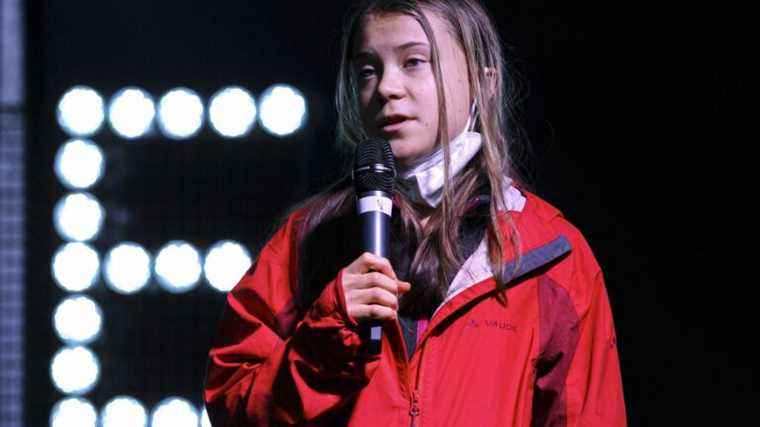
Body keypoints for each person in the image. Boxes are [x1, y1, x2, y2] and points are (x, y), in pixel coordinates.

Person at [204, 0, 627, 425]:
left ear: (484, 83)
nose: (387, 87)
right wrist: (328, 331)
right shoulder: (309, 239)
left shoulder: (551, 257)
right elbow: (231, 406)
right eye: (368, 69)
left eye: (414, 62)